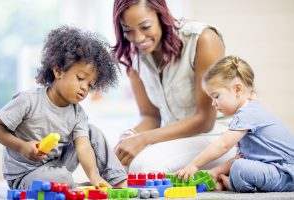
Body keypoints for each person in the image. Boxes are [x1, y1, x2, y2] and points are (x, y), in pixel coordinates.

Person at [0, 26, 127, 189]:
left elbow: (83, 145)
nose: (85, 88)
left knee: (92, 132)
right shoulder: (28, 100)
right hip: (25, 175)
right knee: (62, 178)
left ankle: (117, 182)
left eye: (90, 85)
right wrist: (21, 146)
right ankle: (69, 184)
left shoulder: (78, 114)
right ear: (58, 71)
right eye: (80, 78)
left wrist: (94, 175)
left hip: (57, 166)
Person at [112, 0, 235, 173]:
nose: (138, 38)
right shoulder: (134, 56)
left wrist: (144, 139)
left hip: (219, 138)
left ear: (161, 15)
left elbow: (205, 120)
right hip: (175, 141)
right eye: (128, 31)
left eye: (145, 26)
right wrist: (130, 136)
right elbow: (150, 117)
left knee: (144, 167)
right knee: (117, 164)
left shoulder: (202, 39)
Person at [175, 55, 294, 192]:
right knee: (238, 163)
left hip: (286, 173)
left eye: (216, 96)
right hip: (276, 170)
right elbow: (241, 156)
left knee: (239, 168)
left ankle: (230, 184)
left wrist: (194, 165)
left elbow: (223, 145)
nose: (213, 103)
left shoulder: (248, 114)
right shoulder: (247, 113)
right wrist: (213, 172)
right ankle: (228, 180)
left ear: (237, 90)